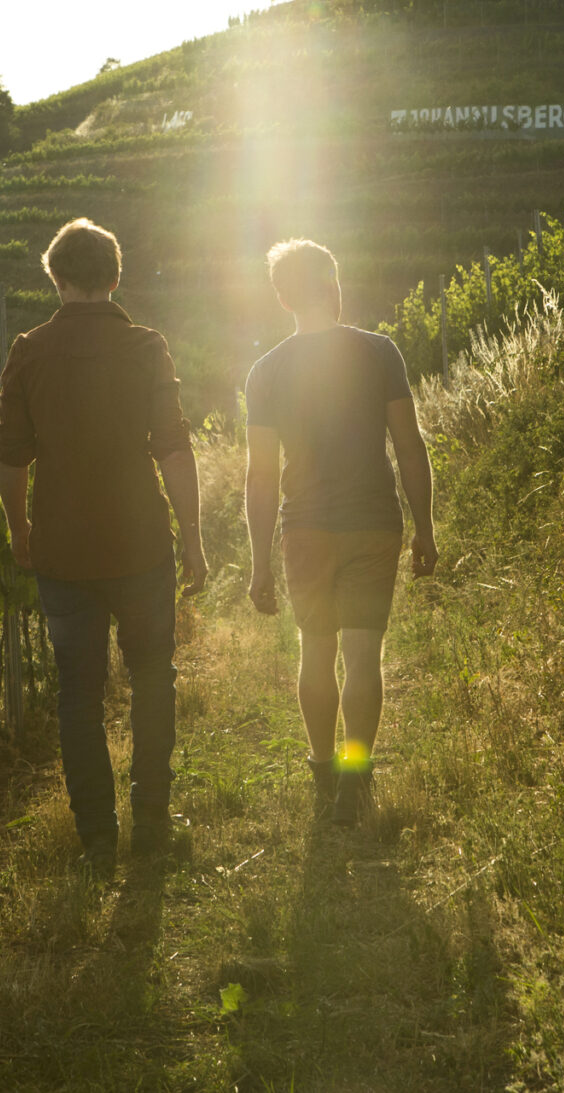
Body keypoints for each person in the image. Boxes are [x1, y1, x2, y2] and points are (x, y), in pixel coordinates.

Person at [0, 218, 207, 876]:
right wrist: (193, 540)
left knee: (77, 694)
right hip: (141, 543)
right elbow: (173, 447)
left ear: (55, 278)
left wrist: (20, 529)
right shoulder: (147, 346)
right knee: (151, 680)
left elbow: (9, 456)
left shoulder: (29, 349)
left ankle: (95, 838)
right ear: (116, 276)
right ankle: (151, 823)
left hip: (62, 552)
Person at [245, 239, 437, 827]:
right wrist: (425, 529)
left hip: (305, 530)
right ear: (333, 282)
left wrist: (257, 563)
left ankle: (323, 770)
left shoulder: (267, 370)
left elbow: (260, 475)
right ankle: (355, 778)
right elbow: (409, 447)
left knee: (317, 652)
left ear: (280, 295)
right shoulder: (380, 353)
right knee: (362, 656)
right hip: (375, 524)